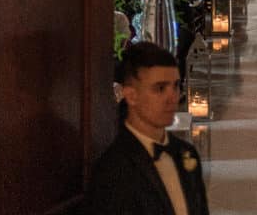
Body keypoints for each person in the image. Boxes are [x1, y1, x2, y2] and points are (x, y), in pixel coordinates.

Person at [86, 41, 210, 215]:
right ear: (131, 95)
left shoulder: (186, 153)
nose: (172, 97)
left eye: (175, 86)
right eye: (160, 88)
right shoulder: (113, 170)